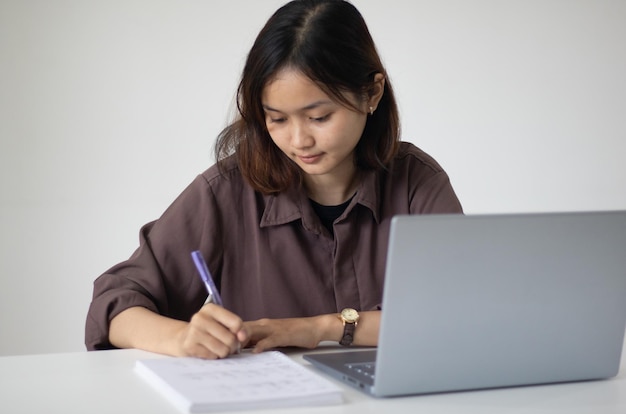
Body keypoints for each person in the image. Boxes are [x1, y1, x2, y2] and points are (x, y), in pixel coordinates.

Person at [85, 0, 463, 358]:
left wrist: (318, 328)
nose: (299, 141)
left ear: (372, 93)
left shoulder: (417, 182)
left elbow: (454, 316)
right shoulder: (226, 191)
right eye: (277, 119)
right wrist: (183, 338)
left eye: (319, 117)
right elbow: (116, 303)